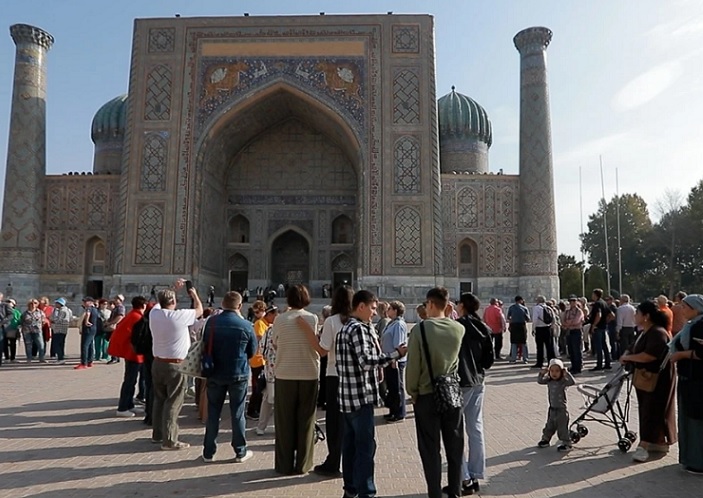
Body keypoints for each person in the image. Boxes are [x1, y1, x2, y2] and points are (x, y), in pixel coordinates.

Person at [336, 289, 407, 498]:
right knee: (365, 449)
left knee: (350, 447)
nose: (375, 313)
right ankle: (367, 492)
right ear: (361, 306)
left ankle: (350, 489)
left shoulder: (345, 329)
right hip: (360, 397)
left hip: (347, 397)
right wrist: (395, 354)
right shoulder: (358, 329)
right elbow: (366, 361)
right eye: (373, 308)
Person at [406, 287, 463, 498]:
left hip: (427, 396)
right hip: (452, 394)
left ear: (430, 304)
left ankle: (435, 493)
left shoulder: (420, 330)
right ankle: (455, 491)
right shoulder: (458, 329)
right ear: (447, 305)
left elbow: (413, 366)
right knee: (455, 446)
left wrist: (412, 391)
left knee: (430, 449)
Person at [202, 291, 257, 463]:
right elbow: (252, 351)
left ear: (223, 304)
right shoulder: (246, 325)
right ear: (240, 306)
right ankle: (240, 451)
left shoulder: (211, 322)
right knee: (237, 413)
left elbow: (204, 344)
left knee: (213, 413)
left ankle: (208, 452)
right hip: (238, 373)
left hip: (215, 372)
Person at [619, 300, 677, 463]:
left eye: (637, 313)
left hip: (657, 379)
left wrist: (629, 357)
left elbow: (649, 356)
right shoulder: (646, 331)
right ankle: (656, 442)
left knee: (653, 410)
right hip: (646, 377)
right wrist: (627, 353)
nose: (634, 316)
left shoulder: (657, 332)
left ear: (646, 316)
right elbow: (634, 347)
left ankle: (644, 445)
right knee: (647, 409)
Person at [272, 284, 320, 475]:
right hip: (309, 373)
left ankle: (284, 465)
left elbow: (275, 343)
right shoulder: (312, 318)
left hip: (285, 374)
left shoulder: (280, 319)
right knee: (306, 420)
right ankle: (303, 464)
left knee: (284, 421)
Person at [150, 280, 203, 450]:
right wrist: (194, 295)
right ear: (173, 301)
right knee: (173, 402)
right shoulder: (179, 316)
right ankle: (170, 440)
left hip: (158, 363)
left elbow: (159, 303)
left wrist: (172, 289)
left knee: (159, 400)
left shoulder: (154, 314)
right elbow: (200, 310)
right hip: (175, 366)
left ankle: (158, 435)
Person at [454, 292, 494, 496]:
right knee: (475, 428)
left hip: (461, 382)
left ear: (462, 305)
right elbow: (489, 360)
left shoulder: (457, 327)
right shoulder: (483, 327)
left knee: (455, 430)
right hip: (478, 380)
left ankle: (464, 478)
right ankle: (476, 473)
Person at [313, 285, 353, 478]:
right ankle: (350, 462)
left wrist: (311, 336)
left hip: (334, 374)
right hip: (353, 376)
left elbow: (323, 350)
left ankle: (334, 461)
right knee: (350, 420)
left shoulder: (332, 321)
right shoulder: (357, 321)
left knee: (335, 421)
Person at [668, 294, 703, 473]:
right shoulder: (690, 325)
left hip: (697, 381)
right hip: (688, 379)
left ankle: (698, 462)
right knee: (688, 420)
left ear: (696, 309)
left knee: (696, 420)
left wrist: (681, 355)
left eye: (685, 307)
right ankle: (689, 458)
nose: (681, 310)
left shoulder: (700, 326)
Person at [108, 296, 148, 417]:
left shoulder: (132, 315)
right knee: (130, 381)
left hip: (132, 353)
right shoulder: (137, 317)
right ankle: (123, 407)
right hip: (133, 354)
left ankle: (129, 405)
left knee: (132, 380)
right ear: (143, 305)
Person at [537, 358, 576, 452]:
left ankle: (567, 443)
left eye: (557, 371)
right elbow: (540, 381)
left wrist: (567, 373)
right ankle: (546, 439)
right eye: (552, 371)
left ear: (561, 372)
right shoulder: (549, 381)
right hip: (552, 409)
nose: (554, 373)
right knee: (549, 426)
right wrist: (542, 373)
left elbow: (572, 382)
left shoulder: (563, 382)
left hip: (561, 410)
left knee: (562, 428)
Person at [381, 300, 408, 423]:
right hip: (388, 358)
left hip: (395, 360)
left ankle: (399, 413)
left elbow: (399, 344)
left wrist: (395, 359)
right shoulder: (392, 323)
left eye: (390, 309)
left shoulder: (399, 324)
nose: (388, 311)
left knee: (397, 386)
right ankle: (393, 410)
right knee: (391, 387)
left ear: (395, 310)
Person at [256, 305, 279, 436]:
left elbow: (262, 348)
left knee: (267, 399)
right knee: (280, 401)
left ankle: (261, 426)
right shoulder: (285, 330)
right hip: (282, 370)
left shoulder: (270, 330)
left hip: (269, 369)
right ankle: (279, 427)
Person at [247, 299, 268, 420]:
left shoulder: (263, 322)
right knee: (257, 386)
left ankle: (257, 408)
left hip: (260, 358)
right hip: (258, 359)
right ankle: (252, 409)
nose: (256, 314)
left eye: (258, 311)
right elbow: (260, 337)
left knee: (260, 386)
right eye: (255, 312)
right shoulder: (259, 323)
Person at [585, 289, 612, 372]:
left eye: (593, 294)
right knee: (604, 346)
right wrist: (605, 322)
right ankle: (607, 363)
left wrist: (594, 325)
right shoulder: (604, 303)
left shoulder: (597, 304)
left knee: (598, 347)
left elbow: (598, 315)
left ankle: (599, 364)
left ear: (595, 295)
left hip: (597, 328)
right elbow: (612, 315)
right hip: (603, 327)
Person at [532, 296, 556, 368]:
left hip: (540, 328)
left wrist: (533, 329)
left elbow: (535, 319)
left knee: (540, 347)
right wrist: (552, 327)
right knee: (549, 346)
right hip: (548, 328)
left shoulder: (537, 308)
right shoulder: (549, 308)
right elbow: (553, 318)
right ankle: (551, 362)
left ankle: (540, 362)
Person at [562, 296, 584, 374]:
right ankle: (573, 366)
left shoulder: (579, 311)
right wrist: (568, 323)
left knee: (576, 350)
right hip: (569, 331)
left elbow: (576, 321)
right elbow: (563, 320)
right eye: (571, 301)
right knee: (571, 350)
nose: (572, 303)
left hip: (576, 331)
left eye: (574, 301)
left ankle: (578, 367)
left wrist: (568, 323)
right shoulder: (567, 311)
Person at [21, 299, 46, 363]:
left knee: (41, 344)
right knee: (28, 345)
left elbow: (43, 321)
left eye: (35, 303)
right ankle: (29, 359)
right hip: (27, 331)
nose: (33, 305)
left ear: (37, 304)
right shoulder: (25, 313)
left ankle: (41, 358)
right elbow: (22, 322)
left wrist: (40, 325)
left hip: (37, 331)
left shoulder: (40, 312)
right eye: (31, 303)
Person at [507, 296, 530, 364]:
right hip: (522, 326)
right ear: (521, 300)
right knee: (523, 342)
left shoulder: (511, 307)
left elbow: (508, 317)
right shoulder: (524, 308)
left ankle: (513, 358)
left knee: (514, 342)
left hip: (514, 326)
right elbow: (528, 319)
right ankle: (525, 358)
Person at [50, 298, 73, 364]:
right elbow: (71, 318)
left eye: (56, 303)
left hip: (59, 329)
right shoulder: (68, 310)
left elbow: (58, 320)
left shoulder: (62, 311)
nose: (55, 304)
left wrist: (53, 320)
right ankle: (61, 357)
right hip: (64, 329)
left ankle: (60, 358)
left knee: (56, 344)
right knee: (61, 344)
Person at [105, 294, 126, 365]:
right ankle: (116, 357)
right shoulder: (116, 307)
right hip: (115, 326)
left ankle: (114, 357)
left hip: (116, 327)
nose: (115, 300)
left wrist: (112, 323)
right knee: (114, 342)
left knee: (113, 342)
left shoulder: (120, 307)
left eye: (117, 299)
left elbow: (120, 317)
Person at [3, 299, 21, 363]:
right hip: (4, 328)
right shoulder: (3, 311)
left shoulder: (16, 312)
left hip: (13, 328)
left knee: (13, 344)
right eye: (7, 302)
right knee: (4, 344)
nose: (8, 303)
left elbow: (19, 320)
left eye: (10, 302)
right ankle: (7, 357)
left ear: (13, 304)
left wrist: (18, 325)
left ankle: (13, 358)